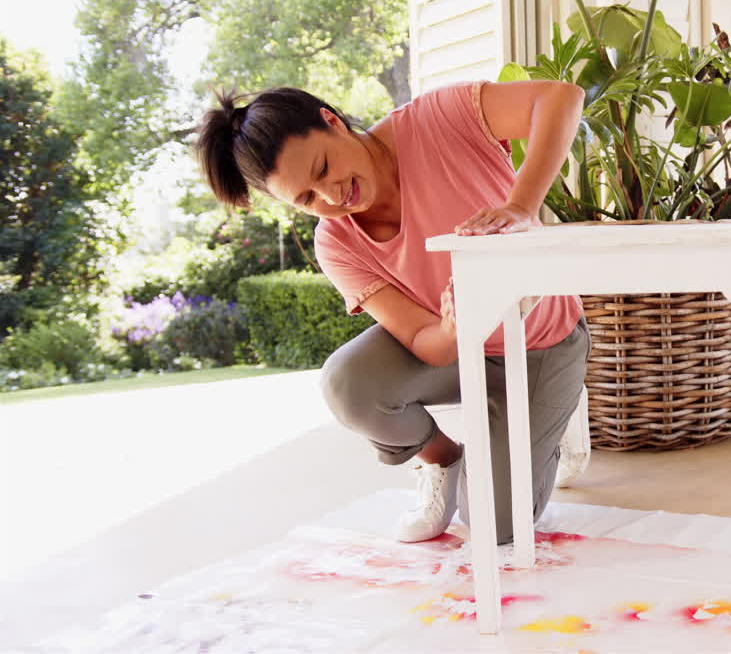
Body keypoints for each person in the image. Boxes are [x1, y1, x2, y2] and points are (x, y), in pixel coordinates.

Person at [194, 79, 589, 544]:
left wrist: (522, 206)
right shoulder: (337, 244)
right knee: (348, 385)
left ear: (332, 121)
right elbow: (428, 345)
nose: (331, 196)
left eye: (324, 167)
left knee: (495, 527)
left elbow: (561, 97)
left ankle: (550, 423)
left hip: (541, 343)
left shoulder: (438, 119)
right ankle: (444, 459)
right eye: (307, 199)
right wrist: (453, 326)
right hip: (459, 354)